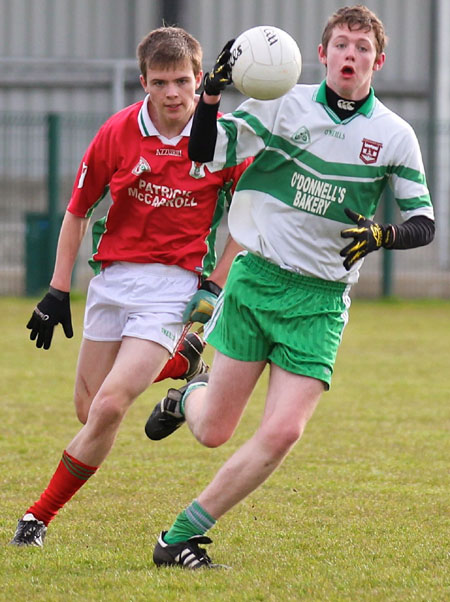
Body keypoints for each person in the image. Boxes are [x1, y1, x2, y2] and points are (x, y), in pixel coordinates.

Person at [144, 5, 435, 569]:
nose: (352, 55)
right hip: (258, 281)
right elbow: (203, 151)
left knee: (282, 433)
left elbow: (423, 223)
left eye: (363, 48)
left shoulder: (395, 135)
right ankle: (189, 395)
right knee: (212, 433)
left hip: (321, 302)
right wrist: (209, 96)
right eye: (342, 45)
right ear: (322, 54)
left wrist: (382, 234)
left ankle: (179, 537)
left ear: (379, 60)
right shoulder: (282, 103)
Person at [10, 26, 250, 547]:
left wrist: (214, 283)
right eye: (160, 82)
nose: (172, 93)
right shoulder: (117, 132)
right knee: (89, 411)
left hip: (174, 287)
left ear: (200, 80)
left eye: (183, 81)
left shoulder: (224, 138)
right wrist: (57, 291)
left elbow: (249, 224)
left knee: (111, 407)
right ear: (143, 81)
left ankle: (37, 517)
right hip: (111, 283)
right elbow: (77, 213)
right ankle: (180, 364)